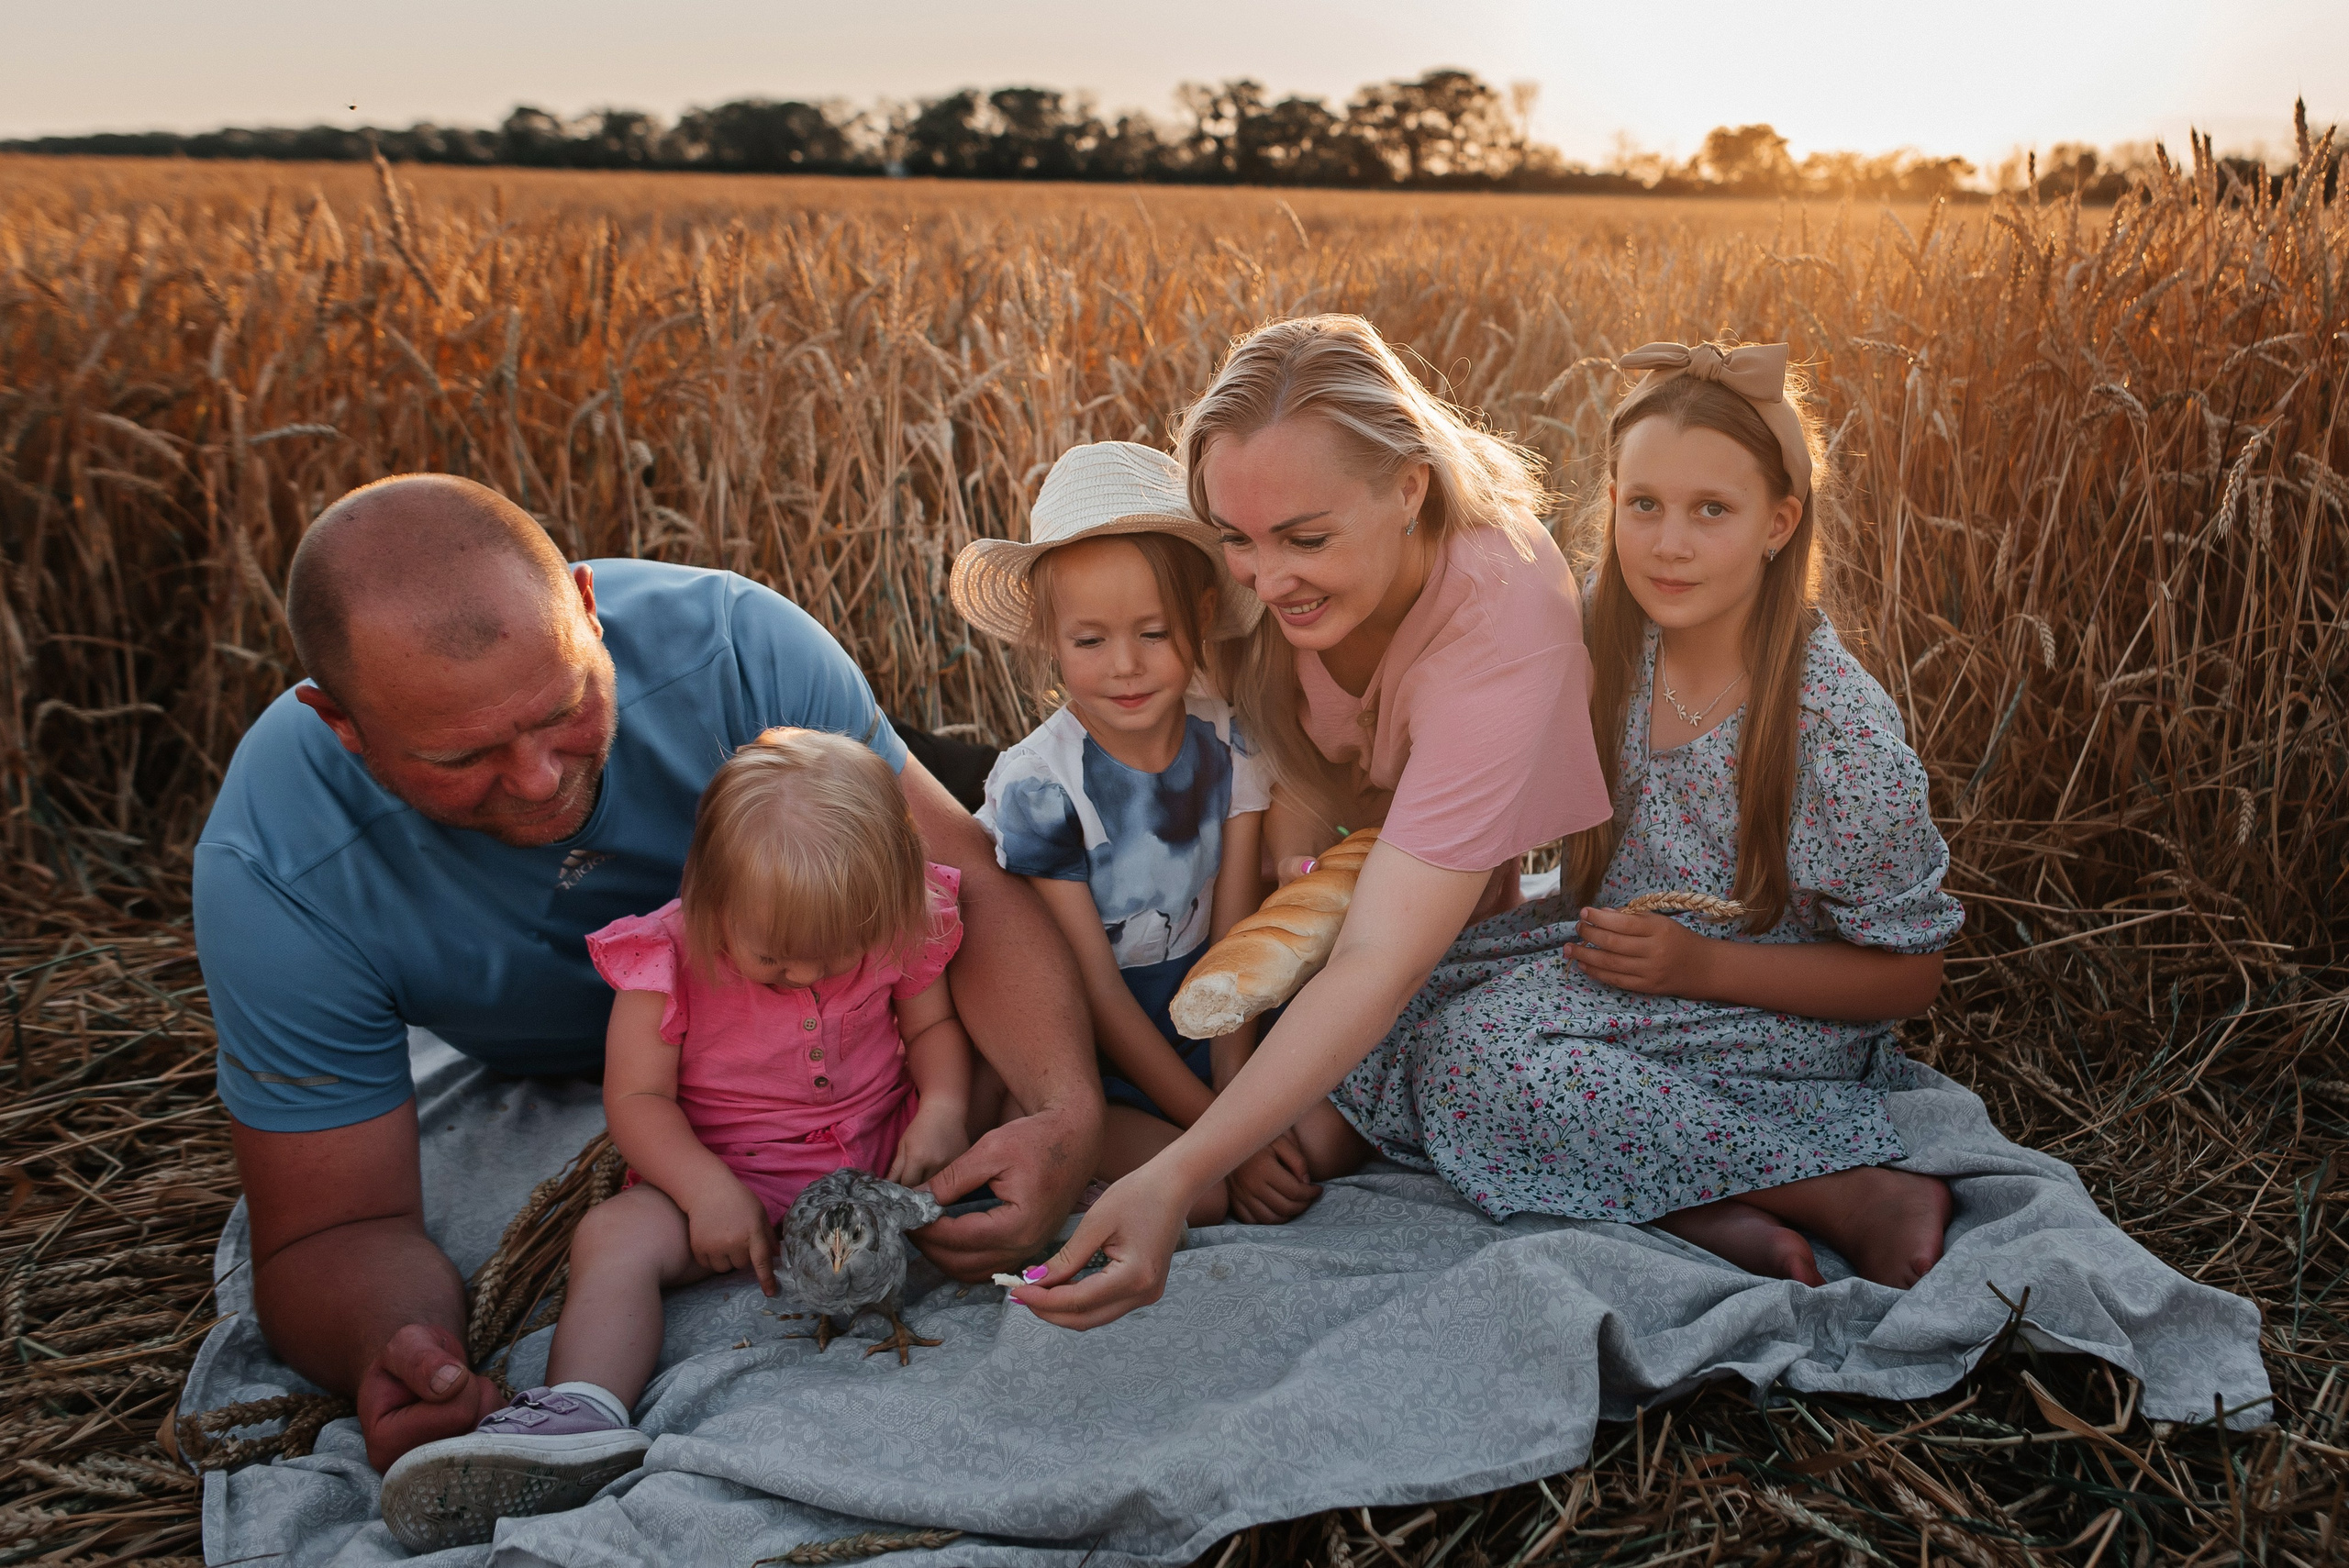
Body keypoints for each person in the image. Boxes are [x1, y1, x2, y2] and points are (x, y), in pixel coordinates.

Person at [195, 475, 1100, 1471]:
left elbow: (963, 885)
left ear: (588, 610)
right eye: (463, 757)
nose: (540, 778)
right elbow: (335, 1226)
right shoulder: (271, 868)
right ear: (343, 727)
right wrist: (399, 1345)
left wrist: (1062, 1111)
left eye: (564, 708)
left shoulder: (737, 646)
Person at [1013, 316, 1614, 1327]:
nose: (1266, 577)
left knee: (1410, 1080)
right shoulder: (1251, 560)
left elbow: (1377, 956)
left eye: (1304, 538)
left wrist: (1188, 1166)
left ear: (1409, 487)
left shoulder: (1504, 628)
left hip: (1413, 889)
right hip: (1280, 865)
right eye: (1236, 540)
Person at [377, 728, 971, 1544]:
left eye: (839, 958)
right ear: (711, 898)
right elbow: (639, 1099)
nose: (811, 978)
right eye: (776, 961)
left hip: (884, 1155)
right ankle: (582, 1409)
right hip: (728, 1180)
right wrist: (702, 1189)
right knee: (615, 1235)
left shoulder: (896, 922)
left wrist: (941, 1107)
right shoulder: (664, 961)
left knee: (1002, 1157)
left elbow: (933, 1024)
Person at [953, 442, 1311, 1227]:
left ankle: (1185, 1142)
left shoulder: (1231, 743)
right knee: (1209, 1193)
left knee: (1320, 1143)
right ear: (1050, 638)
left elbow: (1236, 945)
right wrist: (1227, 1136)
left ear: (1203, 617)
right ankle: (1037, 1127)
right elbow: (1098, 992)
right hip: (1091, 1049)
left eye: (1154, 632)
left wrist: (1237, 1097)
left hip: (1203, 1018)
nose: (1126, 666)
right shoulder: (1039, 785)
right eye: (1090, 641)